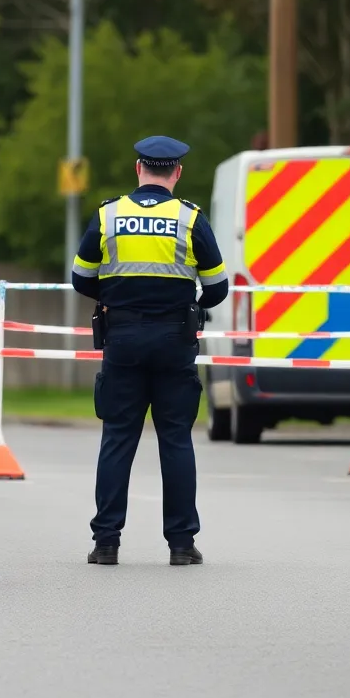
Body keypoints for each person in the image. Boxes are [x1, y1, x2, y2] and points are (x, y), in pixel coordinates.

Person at [71, 135, 229, 566]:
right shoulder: (190, 219)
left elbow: (81, 278)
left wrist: (116, 294)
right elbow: (217, 288)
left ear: (138, 169)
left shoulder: (108, 215)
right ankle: (181, 544)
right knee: (176, 440)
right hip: (175, 339)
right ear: (177, 172)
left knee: (117, 438)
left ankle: (106, 542)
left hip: (121, 340)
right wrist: (187, 303)